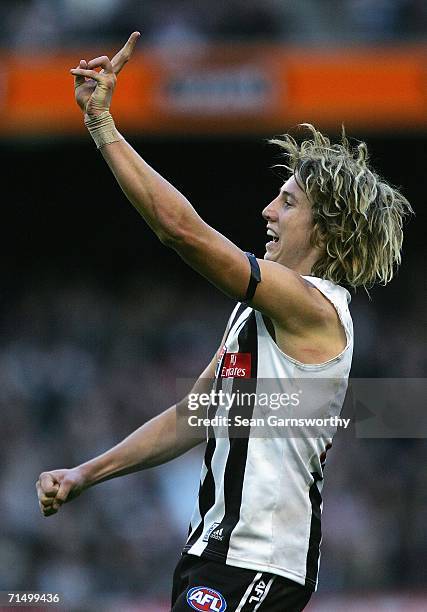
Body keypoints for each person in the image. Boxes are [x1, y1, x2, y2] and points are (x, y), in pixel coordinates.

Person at [36, 32, 412, 611]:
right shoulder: (260, 314)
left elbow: (181, 232)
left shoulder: (316, 309)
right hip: (213, 553)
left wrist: (102, 126)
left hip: (259, 562)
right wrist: (86, 473)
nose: (267, 210)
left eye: (288, 202)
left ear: (328, 229)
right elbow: (195, 415)